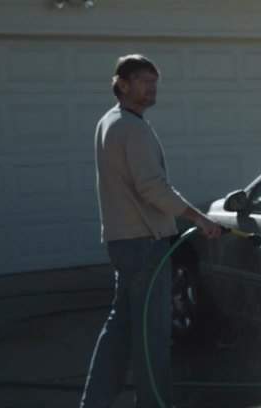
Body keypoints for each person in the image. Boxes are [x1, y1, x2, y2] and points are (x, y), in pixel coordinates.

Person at [81, 54, 222, 408]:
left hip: (122, 242)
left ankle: (94, 401)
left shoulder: (109, 122)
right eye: (144, 80)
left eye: (154, 81)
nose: (152, 87)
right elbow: (153, 188)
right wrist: (198, 218)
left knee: (121, 328)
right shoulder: (132, 128)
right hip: (144, 246)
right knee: (152, 335)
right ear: (122, 84)